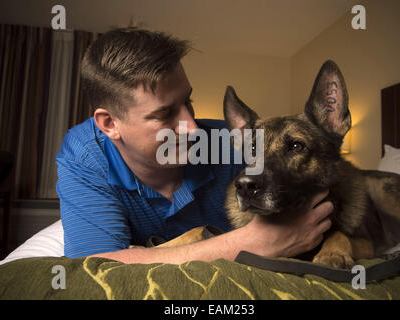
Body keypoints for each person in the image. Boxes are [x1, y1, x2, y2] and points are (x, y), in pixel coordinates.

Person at [56, 27, 333, 264]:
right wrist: (253, 242)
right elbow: (93, 267)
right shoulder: (84, 155)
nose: (192, 126)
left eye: (188, 102)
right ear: (110, 125)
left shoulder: (237, 144)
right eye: (165, 114)